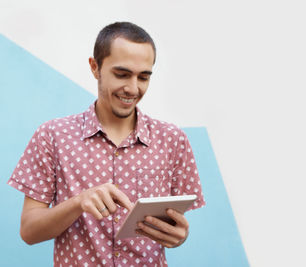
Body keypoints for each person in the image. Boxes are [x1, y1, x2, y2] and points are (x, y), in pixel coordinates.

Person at [7, 22, 205, 267]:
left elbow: (175, 228)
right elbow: (29, 231)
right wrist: (79, 202)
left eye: (143, 77)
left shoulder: (173, 140)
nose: (133, 88)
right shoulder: (52, 136)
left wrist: (179, 237)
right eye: (121, 74)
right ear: (95, 67)